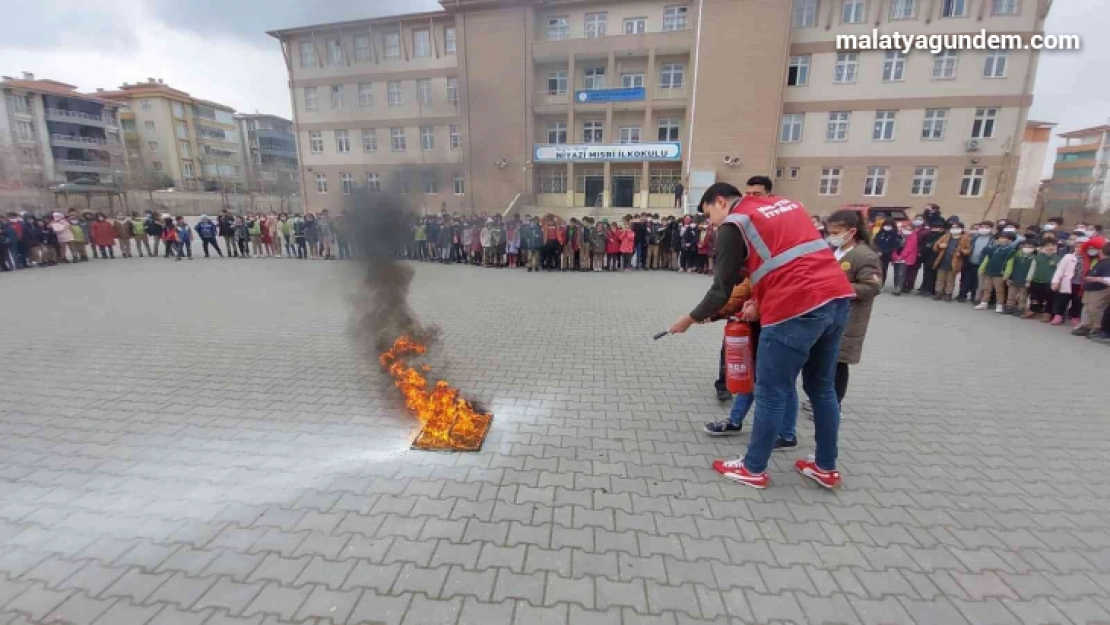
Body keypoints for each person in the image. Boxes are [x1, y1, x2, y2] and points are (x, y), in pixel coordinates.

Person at [669, 178, 854, 490]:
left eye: (708, 214)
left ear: (720, 202)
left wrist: (690, 318)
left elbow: (720, 289)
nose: (711, 223)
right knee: (822, 388)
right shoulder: (786, 205)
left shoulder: (735, 222)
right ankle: (825, 466)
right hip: (836, 300)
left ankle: (753, 468)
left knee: (770, 390)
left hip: (794, 308)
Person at [702, 279, 799, 443]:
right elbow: (745, 291)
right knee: (753, 376)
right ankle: (735, 421)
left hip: (787, 328)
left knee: (785, 382)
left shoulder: (790, 261)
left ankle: (787, 435)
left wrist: (757, 306)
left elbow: (789, 294)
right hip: (764, 328)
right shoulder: (760, 264)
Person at [824, 209, 882, 407]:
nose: (832, 236)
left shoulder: (864, 255)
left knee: (838, 363)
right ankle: (823, 400)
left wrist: (837, 287)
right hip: (829, 315)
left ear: (851, 231)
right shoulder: (834, 251)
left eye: (836, 232)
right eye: (830, 232)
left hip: (850, 319)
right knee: (826, 362)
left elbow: (872, 286)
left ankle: (834, 404)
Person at [1074, 242, 1110, 339]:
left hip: (1099, 289)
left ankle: (1096, 327)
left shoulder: (1107, 263)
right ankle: (1087, 325)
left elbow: (1107, 278)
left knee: (1095, 309)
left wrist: (1095, 279)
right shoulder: (1100, 261)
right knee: (1087, 308)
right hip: (1090, 288)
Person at [975, 231, 1017, 312]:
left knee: (999, 290)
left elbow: (1010, 263)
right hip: (989, 271)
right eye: (1001, 238)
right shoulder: (994, 248)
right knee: (987, 288)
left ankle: (999, 304)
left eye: (1005, 238)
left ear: (1010, 240)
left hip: (999, 273)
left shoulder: (1011, 251)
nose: (1002, 239)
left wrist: (1007, 273)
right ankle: (984, 302)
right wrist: (982, 268)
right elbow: (987, 259)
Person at [931, 221, 971, 302]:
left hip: (954, 262)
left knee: (950, 279)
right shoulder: (945, 236)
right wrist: (939, 246)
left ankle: (948, 294)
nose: (954, 229)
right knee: (940, 278)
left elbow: (968, 250)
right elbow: (935, 246)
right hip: (942, 260)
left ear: (961, 229)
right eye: (953, 227)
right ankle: (938, 292)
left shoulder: (965, 238)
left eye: (957, 228)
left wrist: (961, 252)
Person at [1052, 235, 1087, 327]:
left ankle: (1075, 316)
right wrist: (1056, 281)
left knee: (1077, 301)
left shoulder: (1088, 260)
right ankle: (1059, 315)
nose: (1079, 249)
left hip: (1080, 284)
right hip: (1068, 282)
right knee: (1063, 299)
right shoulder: (1068, 256)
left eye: (1082, 247)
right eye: (1077, 246)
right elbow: (1060, 269)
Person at [1025, 238, 1059, 321]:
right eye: (1047, 245)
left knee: (1049, 298)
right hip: (1036, 280)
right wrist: (1028, 280)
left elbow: (1059, 271)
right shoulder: (1038, 257)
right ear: (1043, 247)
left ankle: (1047, 313)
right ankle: (1032, 310)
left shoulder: (1058, 258)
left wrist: (1057, 282)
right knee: (1034, 297)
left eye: (1053, 245)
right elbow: (1032, 269)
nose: (1050, 247)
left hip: (1050, 282)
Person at [960, 222, 994, 303]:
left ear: (991, 228)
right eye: (982, 227)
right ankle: (962, 295)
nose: (984, 229)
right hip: (971, 261)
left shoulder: (992, 239)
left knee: (978, 282)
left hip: (982, 264)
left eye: (986, 227)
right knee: (966, 280)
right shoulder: (975, 237)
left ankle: (975, 296)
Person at [1006, 239, 1036, 316]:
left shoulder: (1034, 258)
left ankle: (1020, 308)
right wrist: (1009, 277)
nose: (1027, 248)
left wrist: (1028, 280)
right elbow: (1011, 267)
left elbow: (1032, 270)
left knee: (1023, 295)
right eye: (1025, 246)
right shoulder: (1017, 257)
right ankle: (1010, 306)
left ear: (1034, 248)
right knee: (1011, 294)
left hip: (1025, 280)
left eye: (1030, 247)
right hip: (1014, 279)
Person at [917, 219, 945, 297]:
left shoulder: (942, 236)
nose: (935, 229)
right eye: (933, 228)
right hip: (927, 256)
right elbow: (923, 244)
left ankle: (931, 289)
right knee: (926, 273)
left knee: (933, 274)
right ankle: (924, 287)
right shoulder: (928, 235)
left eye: (937, 228)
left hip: (936, 257)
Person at [889, 221, 916, 296]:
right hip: (896, 256)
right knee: (896, 273)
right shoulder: (899, 235)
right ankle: (896, 286)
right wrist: (894, 256)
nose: (906, 230)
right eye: (905, 228)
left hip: (905, 258)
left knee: (901, 273)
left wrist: (901, 257)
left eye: (909, 229)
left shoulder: (912, 236)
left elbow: (909, 248)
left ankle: (899, 288)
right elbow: (894, 246)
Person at [872, 220, 900, 288]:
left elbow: (893, 246)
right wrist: (877, 251)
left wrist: (883, 252)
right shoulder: (880, 233)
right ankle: (874, 282)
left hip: (886, 255)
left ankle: (881, 284)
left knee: (883, 269)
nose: (887, 227)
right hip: (876, 253)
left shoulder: (895, 235)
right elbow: (875, 242)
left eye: (889, 225)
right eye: (886, 225)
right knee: (874, 269)